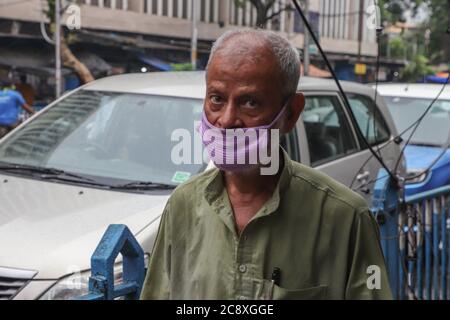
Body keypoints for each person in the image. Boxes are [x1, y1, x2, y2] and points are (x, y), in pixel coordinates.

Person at [140, 29, 392, 300]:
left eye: (250, 102)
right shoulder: (184, 204)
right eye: (216, 98)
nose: (226, 120)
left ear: (291, 113)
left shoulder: (346, 218)